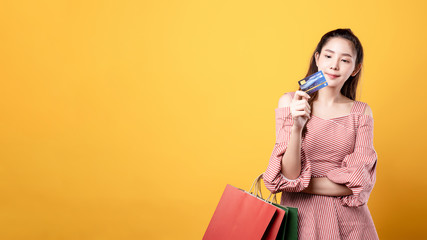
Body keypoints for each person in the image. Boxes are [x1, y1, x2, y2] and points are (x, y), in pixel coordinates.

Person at [263, 28, 379, 239]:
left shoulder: (361, 112)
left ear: (355, 69)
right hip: (300, 220)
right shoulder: (290, 102)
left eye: (344, 60)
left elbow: (358, 183)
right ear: (317, 58)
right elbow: (289, 174)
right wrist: (297, 127)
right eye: (328, 56)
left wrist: (296, 186)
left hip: (349, 225)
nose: (334, 65)